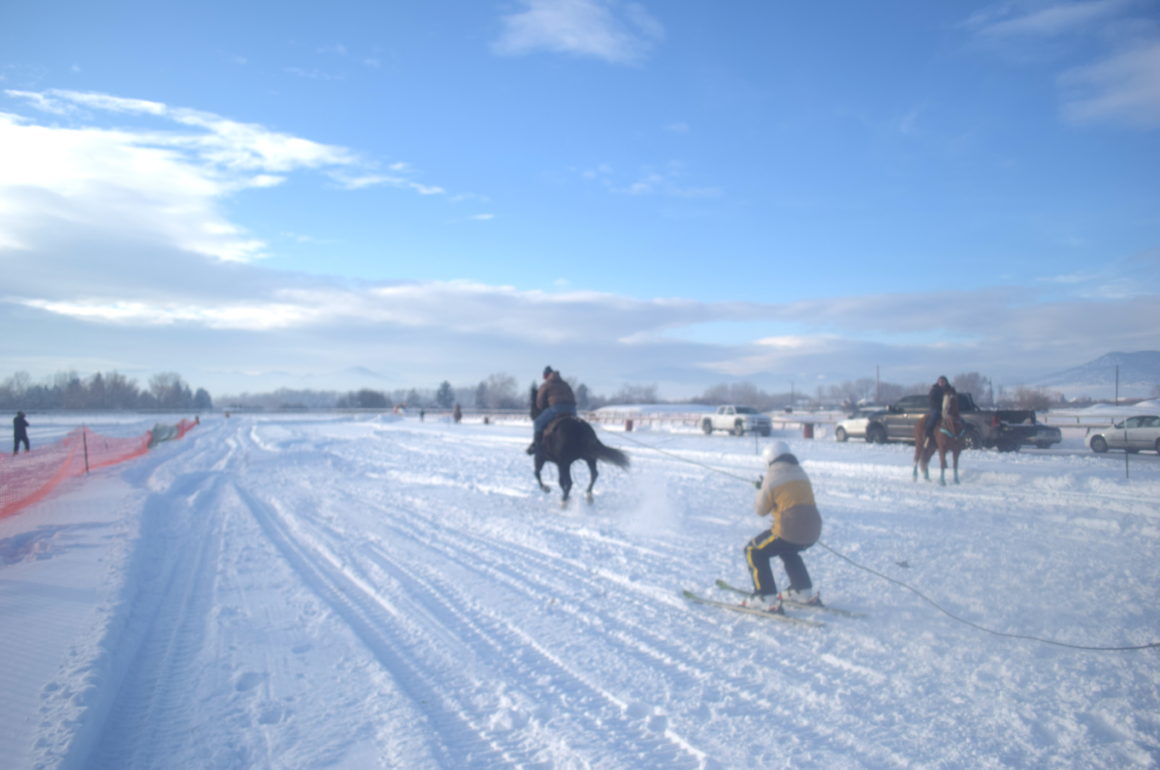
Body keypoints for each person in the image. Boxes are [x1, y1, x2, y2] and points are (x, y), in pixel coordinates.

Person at [741, 441, 823, 613]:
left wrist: (762, 488)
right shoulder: (801, 472)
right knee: (788, 549)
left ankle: (765, 596)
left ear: (769, 460)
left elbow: (760, 509)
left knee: (753, 550)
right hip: (813, 530)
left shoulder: (771, 477)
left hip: (789, 530)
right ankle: (802, 590)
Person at [527, 366, 577, 455]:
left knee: (537, 423)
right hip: (572, 409)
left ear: (546, 376)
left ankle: (537, 447)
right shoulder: (565, 383)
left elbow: (540, 402)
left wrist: (542, 408)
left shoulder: (546, 385)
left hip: (556, 409)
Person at [923, 376, 955, 449]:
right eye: (940, 381)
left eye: (942, 381)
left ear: (946, 382)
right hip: (937, 409)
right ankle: (928, 438)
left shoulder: (949, 390)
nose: (941, 383)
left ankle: (957, 438)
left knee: (958, 421)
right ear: (938, 382)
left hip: (949, 410)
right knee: (932, 421)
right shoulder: (934, 390)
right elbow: (932, 401)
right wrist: (940, 408)